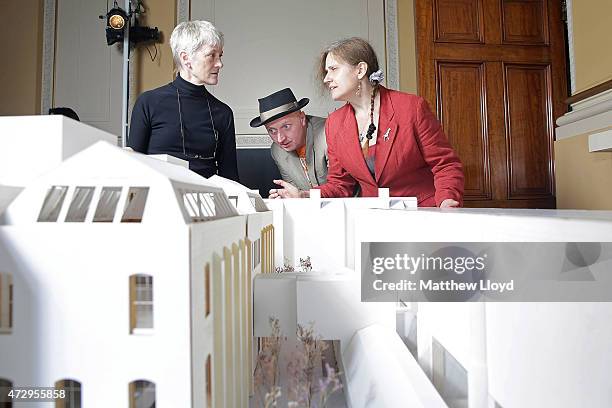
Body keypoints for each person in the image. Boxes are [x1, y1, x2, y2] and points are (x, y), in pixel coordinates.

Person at [269, 38, 463, 207]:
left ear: (360, 70)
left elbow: (445, 164)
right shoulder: (334, 123)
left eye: (333, 69)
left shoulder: (411, 107)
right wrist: (303, 195)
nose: (327, 79)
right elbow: (339, 185)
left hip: (424, 213)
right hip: (371, 219)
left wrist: (447, 201)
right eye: (326, 72)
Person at [128, 20, 239, 181]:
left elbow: (230, 178)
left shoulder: (223, 113)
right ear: (186, 58)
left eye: (220, 55)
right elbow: (134, 168)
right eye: (211, 55)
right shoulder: (148, 103)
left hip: (207, 203)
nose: (219, 63)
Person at [250, 88, 328, 190]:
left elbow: (341, 187)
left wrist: (302, 197)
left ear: (302, 118)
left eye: (286, 126)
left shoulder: (328, 133)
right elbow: (294, 191)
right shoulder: (277, 150)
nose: (280, 139)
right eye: (272, 131)